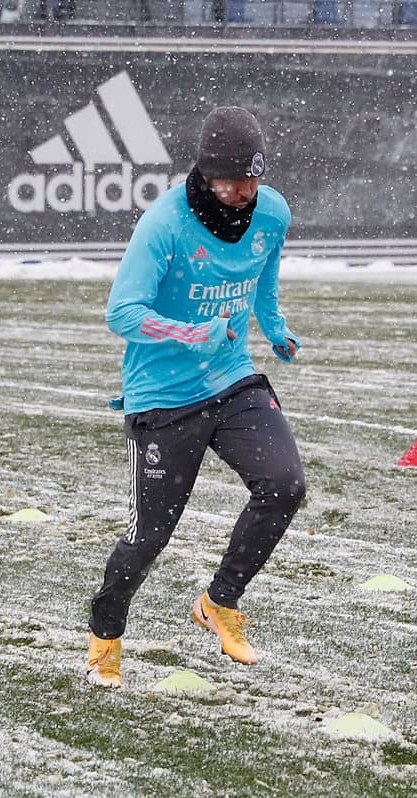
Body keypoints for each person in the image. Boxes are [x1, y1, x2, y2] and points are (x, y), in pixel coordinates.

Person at [86, 106, 306, 688]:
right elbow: (121, 313)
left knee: (285, 485)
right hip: (162, 397)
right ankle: (105, 637)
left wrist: (274, 324)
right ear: (206, 175)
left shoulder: (272, 212)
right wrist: (189, 332)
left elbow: (263, 275)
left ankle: (219, 600)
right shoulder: (164, 225)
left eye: (254, 177)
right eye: (234, 180)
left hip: (231, 379)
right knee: (148, 540)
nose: (246, 192)